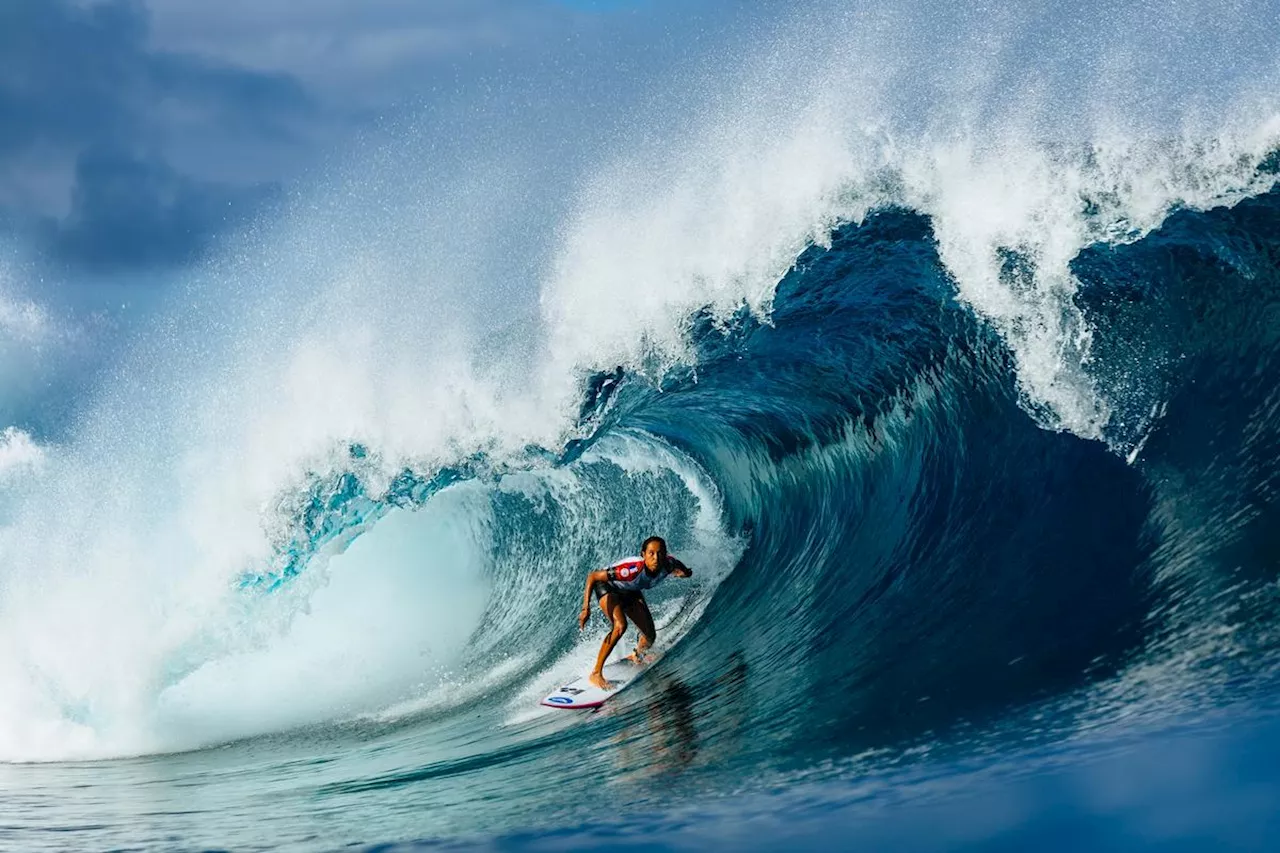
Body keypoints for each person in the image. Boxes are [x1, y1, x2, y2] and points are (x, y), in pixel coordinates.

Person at [577, 536, 693, 690]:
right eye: (651, 553)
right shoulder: (630, 570)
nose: (656, 557)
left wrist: (684, 573)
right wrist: (586, 608)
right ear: (643, 554)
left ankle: (637, 655)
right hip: (607, 587)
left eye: (660, 553)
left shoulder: (669, 564)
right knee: (620, 626)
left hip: (629, 590)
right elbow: (593, 576)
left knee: (650, 636)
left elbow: (683, 570)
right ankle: (596, 673)